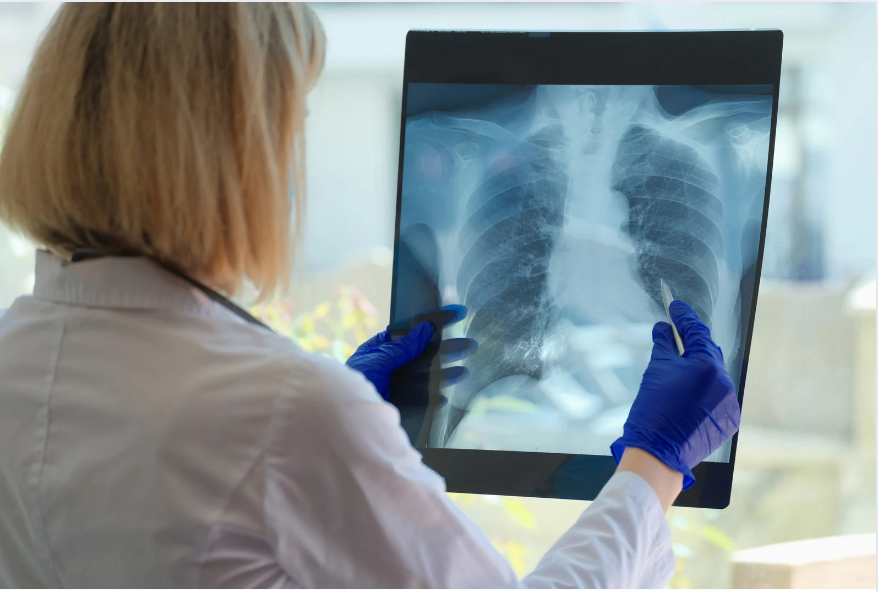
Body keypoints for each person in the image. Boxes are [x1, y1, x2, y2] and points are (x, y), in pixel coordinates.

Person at [0, 3, 740, 588]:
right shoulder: (285, 413)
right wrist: (654, 468)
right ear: (232, 153)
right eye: (292, 125)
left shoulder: (14, 354)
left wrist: (329, 426)